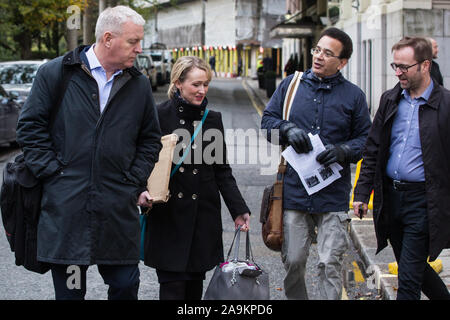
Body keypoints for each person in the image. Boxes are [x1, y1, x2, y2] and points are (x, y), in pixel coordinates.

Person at [16, 6, 162, 300]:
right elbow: (30, 128)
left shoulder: (138, 84)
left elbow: (150, 139)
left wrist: (132, 180)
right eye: (133, 41)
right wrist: (55, 174)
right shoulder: (55, 73)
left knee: (124, 284)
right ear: (108, 38)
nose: (139, 48)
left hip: (117, 209)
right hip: (67, 210)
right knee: (71, 293)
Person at [261, 27, 371, 300]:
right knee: (294, 260)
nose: (319, 57)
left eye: (328, 53)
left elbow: (366, 140)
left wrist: (344, 151)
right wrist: (287, 130)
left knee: (329, 264)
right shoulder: (290, 86)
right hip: (295, 191)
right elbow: (267, 123)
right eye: (317, 50)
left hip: (333, 194)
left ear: (342, 62)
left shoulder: (354, 96)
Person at [143, 56, 251, 300]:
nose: (202, 90)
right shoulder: (159, 115)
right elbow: (143, 159)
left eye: (206, 84)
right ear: (178, 83)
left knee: (193, 290)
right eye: (196, 84)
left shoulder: (212, 119)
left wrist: (238, 209)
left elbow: (222, 170)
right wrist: (140, 191)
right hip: (168, 215)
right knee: (172, 288)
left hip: (202, 216)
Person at [353, 36, 450, 300]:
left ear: (425, 65)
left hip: (424, 201)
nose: (398, 72)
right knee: (415, 269)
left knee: (407, 280)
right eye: (395, 65)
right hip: (391, 200)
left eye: (404, 67)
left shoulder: (446, 105)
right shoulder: (390, 99)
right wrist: (362, 193)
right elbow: (372, 149)